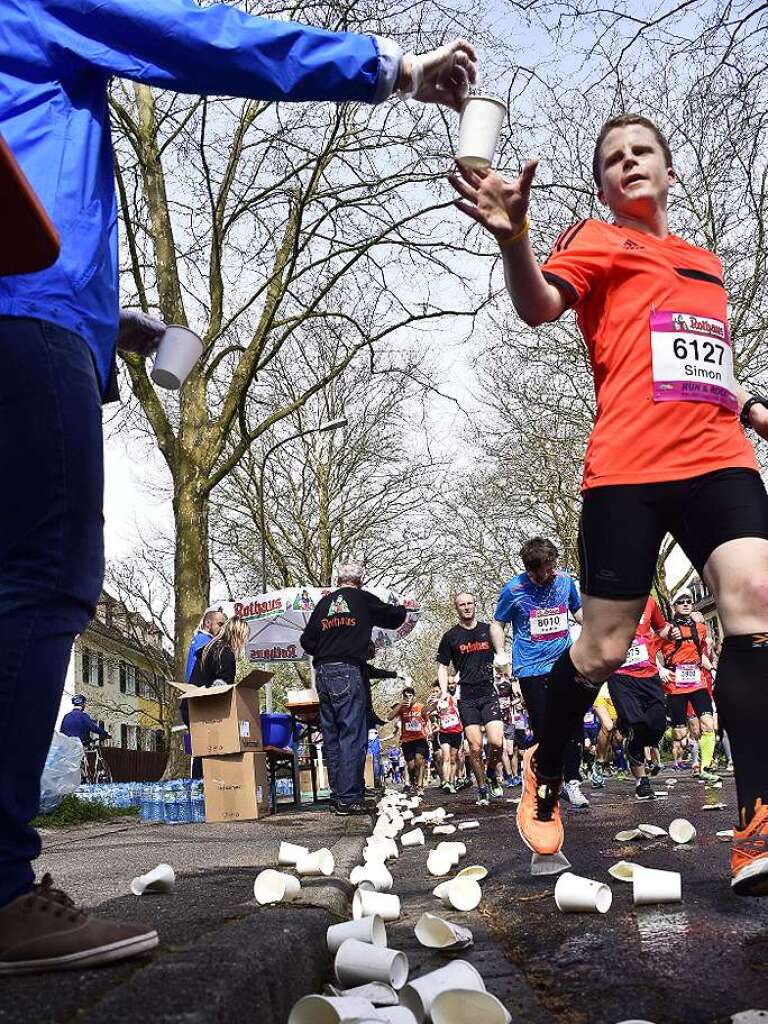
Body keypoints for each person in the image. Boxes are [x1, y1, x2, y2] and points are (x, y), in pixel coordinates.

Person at [0, 0, 477, 972]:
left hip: (51, 309)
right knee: (42, 576)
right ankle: (2, 888)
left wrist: (110, 321)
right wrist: (388, 68)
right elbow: (194, 38)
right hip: (28, 319)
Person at [450, 112, 768, 895]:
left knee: (757, 598)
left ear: (668, 172)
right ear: (601, 183)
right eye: (613, 158)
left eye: (643, 153)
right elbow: (538, 306)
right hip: (627, 467)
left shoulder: (705, 262)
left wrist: (752, 405)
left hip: (720, 457)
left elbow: (703, 362)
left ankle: (756, 824)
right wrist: (512, 237)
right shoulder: (592, 239)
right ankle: (546, 767)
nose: (629, 163)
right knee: (601, 647)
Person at [300, 562, 407, 815]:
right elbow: (395, 617)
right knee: (352, 733)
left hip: (323, 673)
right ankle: (349, 798)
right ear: (361, 580)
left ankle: (337, 795)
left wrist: (327, 648)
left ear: (338, 579)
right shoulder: (362, 600)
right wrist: (402, 607)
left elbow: (306, 640)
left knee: (333, 734)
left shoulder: (324, 604)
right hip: (348, 670)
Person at [491, 538, 586, 807]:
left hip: (565, 661)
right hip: (531, 668)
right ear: (531, 570)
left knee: (573, 722)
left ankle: (573, 782)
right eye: (546, 568)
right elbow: (498, 623)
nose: (552, 572)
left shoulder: (565, 581)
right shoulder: (514, 589)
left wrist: (592, 626)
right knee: (546, 728)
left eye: (554, 564)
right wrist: (500, 652)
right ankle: (547, 780)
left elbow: (577, 610)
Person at [436, 593, 504, 806]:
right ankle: (482, 787)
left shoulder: (488, 630)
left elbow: (502, 656)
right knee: (474, 747)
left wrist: (511, 677)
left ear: (475, 605)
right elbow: (442, 666)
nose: (466, 607)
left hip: (488, 693)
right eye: (462, 605)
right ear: (456, 608)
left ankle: (492, 772)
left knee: (496, 742)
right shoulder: (451, 636)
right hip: (467, 697)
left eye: (469, 604)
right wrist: (445, 691)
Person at [659, 591, 719, 784]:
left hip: (697, 680)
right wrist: (660, 669)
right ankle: (658, 731)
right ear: (675, 606)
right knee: (681, 734)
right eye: (681, 602)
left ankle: (705, 767)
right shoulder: (665, 629)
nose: (686, 604)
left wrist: (714, 669)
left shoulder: (701, 628)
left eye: (688, 602)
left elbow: (700, 653)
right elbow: (650, 651)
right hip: (675, 684)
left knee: (708, 724)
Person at [388, 686, 429, 795]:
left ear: (414, 697)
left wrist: (428, 731)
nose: (408, 698)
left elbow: (426, 719)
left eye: (410, 696)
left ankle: (419, 786)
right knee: (411, 766)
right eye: (406, 696)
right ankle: (412, 781)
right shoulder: (401, 708)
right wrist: (401, 705)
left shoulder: (420, 707)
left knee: (419, 760)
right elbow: (389, 717)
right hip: (407, 740)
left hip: (420, 738)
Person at [185, 607, 227, 683]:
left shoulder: (201, 639)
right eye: (220, 624)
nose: (222, 629)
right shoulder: (204, 640)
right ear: (207, 623)